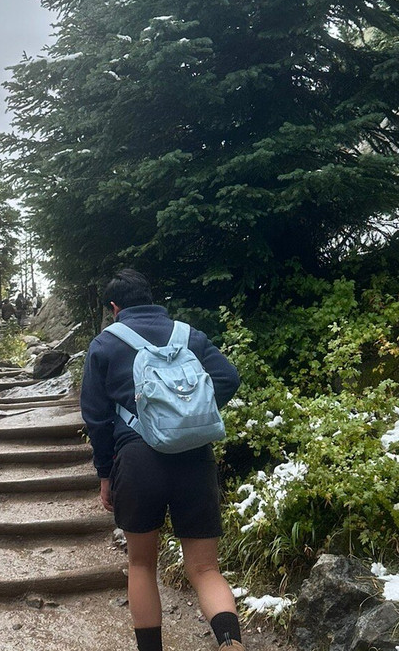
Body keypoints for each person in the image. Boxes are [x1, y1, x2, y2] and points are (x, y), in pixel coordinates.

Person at [81, 269, 246, 651]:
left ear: (114, 307)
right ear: (151, 297)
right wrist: (190, 415)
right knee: (205, 569)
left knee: (141, 566)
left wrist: (105, 475)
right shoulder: (188, 335)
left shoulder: (105, 344)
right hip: (194, 459)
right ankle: (229, 642)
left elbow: (96, 418)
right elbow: (228, 378)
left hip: (137, 461)